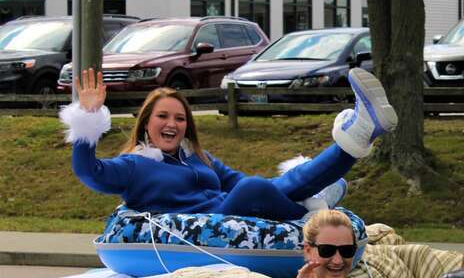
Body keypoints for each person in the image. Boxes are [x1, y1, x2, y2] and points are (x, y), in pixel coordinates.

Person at [61, 67, 397, 220]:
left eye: (180, 118)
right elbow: (88, 171)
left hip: (232, 206)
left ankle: (359, 132)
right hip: (211, 219)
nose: (173, 124)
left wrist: (291, 184)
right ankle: (309, 216)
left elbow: (248, 183)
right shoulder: (134, 165)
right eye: (163, 117)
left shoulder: (198, 158)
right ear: (147, 122)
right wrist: (88, 116)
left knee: (274, 183)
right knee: (254, 188)